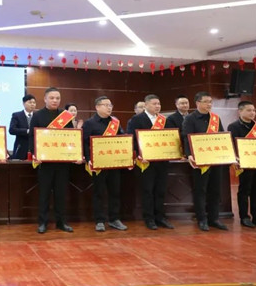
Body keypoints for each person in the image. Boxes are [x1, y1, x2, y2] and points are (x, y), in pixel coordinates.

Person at [29, 87, 79, 234]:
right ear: (45, 99)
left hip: (62, 162)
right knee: (44, 194)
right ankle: (42, 223)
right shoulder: (37, 115)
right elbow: (32, 137)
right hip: (45, 162)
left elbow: (72, 137)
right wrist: (35, 153)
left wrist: (75, 153)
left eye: (57, 98)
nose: (55, 100)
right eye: (52, 98)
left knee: (61, 194)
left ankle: (61, 222)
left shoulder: (65, 116)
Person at [182, 91, 227, 232]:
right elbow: (186, 137)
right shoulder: (190, 119)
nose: (209, 104)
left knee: (215, 190)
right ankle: (202, 219)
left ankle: (214, 219)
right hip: (200, 160)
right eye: (206, 101)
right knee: (200, 190)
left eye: (210, 102)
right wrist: (189, 154)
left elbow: (222, 137)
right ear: (198, 103)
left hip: (215, 159)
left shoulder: (215, 118)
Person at [127, 94, 174, 230]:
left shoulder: (165, 120)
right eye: (154, 104)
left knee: (161, 190)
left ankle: (160, 217)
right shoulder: (136, 120)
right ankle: (149, 218)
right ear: (146, 105)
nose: (157, 106)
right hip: (145, 162)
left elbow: (171, 138)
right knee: (147, 191)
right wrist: (139, 154)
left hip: (162, 161)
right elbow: (131, 139)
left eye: (159, 104)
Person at [83, 96, 128, 232]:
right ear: (97, 107)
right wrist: (89, 159)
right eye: (106, 105)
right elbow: (84, 143)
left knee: (115, 191)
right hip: (98, 164)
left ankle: (114, 219)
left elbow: (122, 140)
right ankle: (99, 220)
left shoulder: (115, 122)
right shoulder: (89, 123)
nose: (109, 108)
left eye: (110, 105)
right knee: (99, 192)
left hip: (114, 163)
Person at [227, 101, 256, 228]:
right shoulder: (233, 126)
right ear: (240, 111)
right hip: (243, 163)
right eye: (249, 110)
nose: (252, 113)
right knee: (244, 190)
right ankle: (244, 217)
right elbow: (231, 145)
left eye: (254, 110)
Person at [9, 94, 36, 160]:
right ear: (23, 103)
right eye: (30, 102)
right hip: (21, 147)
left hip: (34, 148)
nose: (32, 104)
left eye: (34, 103)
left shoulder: (38, 115)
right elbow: (12, 130)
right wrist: (27, 131)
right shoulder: (17, 115)